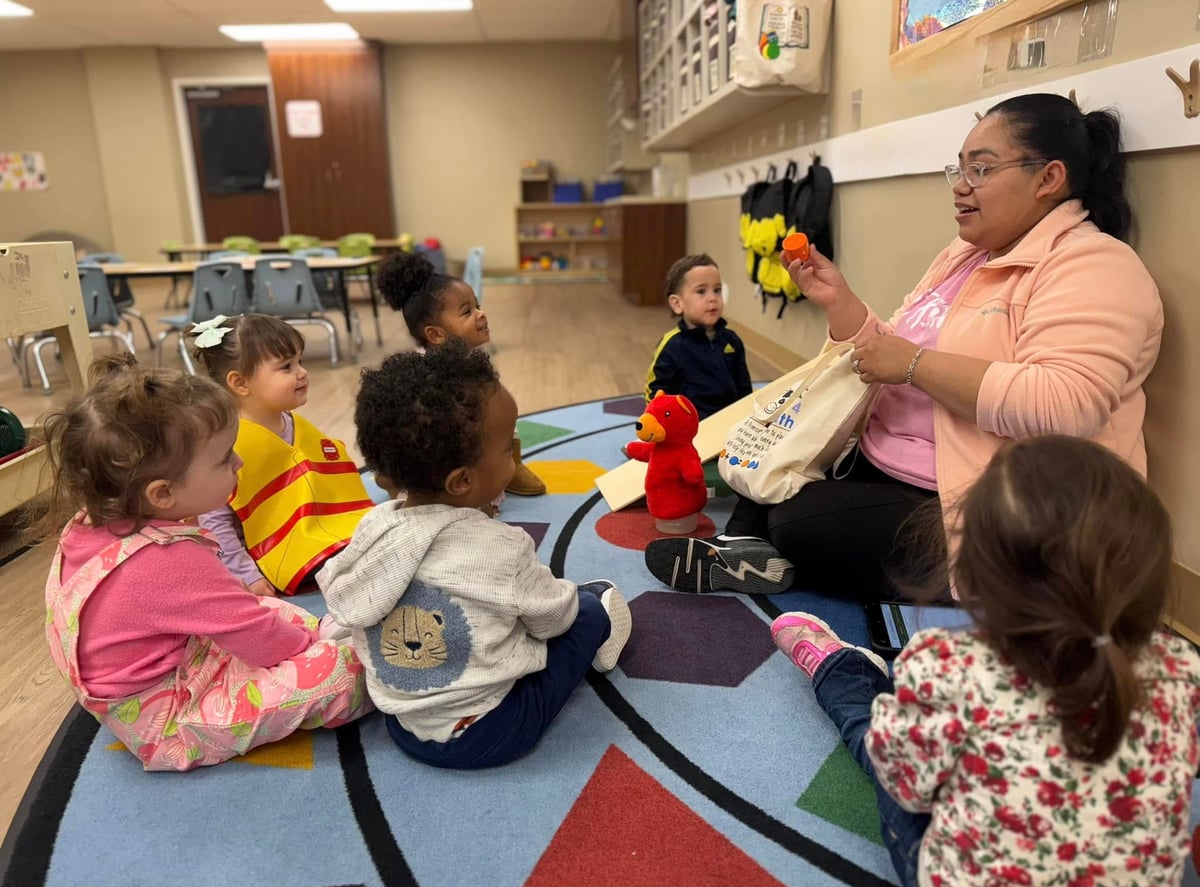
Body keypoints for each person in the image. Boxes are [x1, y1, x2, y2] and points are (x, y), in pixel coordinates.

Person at [644, 93, 1163, 601]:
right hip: (894, 459)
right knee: (761, 460)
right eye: (958, 170)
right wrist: (840, 301)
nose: (960, 188)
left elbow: (1064, 404)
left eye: (980, 170)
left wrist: (914, 365)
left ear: (1049, 178)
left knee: (800, 519)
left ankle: (767, 550)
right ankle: (749, 549)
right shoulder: (965, 255)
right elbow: (889, 352)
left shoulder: (1096, 265)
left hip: (990, 503)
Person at [769, 435, 1200, 887]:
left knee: (877, 739)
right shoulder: (1182, 669)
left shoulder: (947, 664)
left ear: (970, 576)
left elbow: (906, 784)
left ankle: (840, 669)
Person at [39, 355, 372, 772]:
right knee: (340, 673)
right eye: (224, 459)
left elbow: (232, 614)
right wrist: (313, 651)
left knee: (258, 608)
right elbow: (256, 635)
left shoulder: (87, 526)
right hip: (169, 719)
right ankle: (355, 659)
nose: (239, 463)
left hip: (164, 668)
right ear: (162, 494)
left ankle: (321, 636)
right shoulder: (168, 560)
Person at [318, 341, 632, 769]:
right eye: (508, 449)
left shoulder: (373, 527)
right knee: (590, 611)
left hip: (403, 725)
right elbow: (555, 619)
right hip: (490, 732)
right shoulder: (500, 547)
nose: (515, 454)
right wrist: (573, 604)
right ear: (462, 480)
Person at [193, 313, 374, 597]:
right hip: (282, 557)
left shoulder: (294, 424)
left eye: (300, 362)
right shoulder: (224, 445)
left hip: (328, 535)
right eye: (286, 367)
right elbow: (215, 522)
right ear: (240, 383)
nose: (302, 372)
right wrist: (246, 575)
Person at [376, 250, 546, 499]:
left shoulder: (468, 364)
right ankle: (397, 479)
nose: (481, 314)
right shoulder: (423, 376)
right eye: (467, 312)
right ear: (436, 335)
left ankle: (510, 461)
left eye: (478, 306)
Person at [643, 252, 752, 420]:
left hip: (729, 422)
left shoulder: (731, 340)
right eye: (701, 291)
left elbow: (744, 387)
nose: (712, 298)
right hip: (691, 427)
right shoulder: (673, 345)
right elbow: (655, 394)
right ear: (677, 304)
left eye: (717, 290)